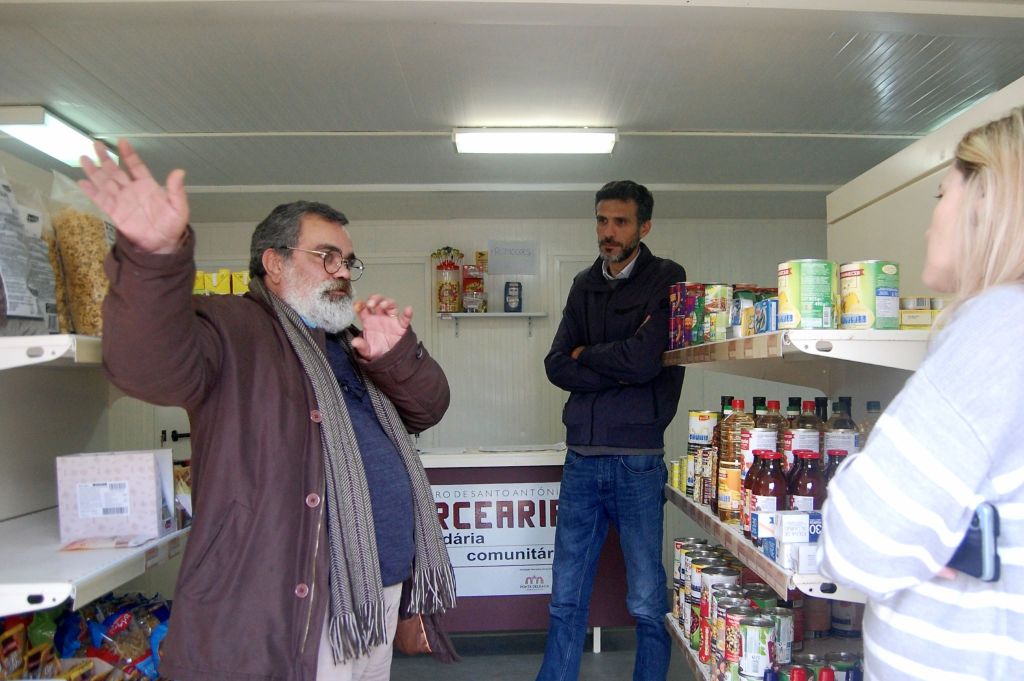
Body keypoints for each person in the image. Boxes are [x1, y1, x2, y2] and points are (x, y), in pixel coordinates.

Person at [79, 140, 456, 681]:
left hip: (376, 590)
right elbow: (144, 366)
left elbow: (430, 409)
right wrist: (153, 260)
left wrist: (396, 356)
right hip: (306, 598)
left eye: (348, 260)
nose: (343, 271)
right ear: (274, 263)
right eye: (326, 256)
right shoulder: (232, 326)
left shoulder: (350, 341)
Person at [820, 107, 1024, 679]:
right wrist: (947, 533)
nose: (929, 225)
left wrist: (874, 490)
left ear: (985, 202)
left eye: (941, 195)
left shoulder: (999, 328)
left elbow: (858, 543)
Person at [537, 180, 686, 681]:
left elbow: (644, 362)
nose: (608, 231)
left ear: (644, 227)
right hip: (581, 456)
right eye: (602, 220)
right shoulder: (584, 284)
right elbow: (556, 364)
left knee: (645, 597)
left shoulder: (667, 278)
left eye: (620, 221)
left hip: (636, 459)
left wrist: (589, 356)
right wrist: (614, 364)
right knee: (565, 596)